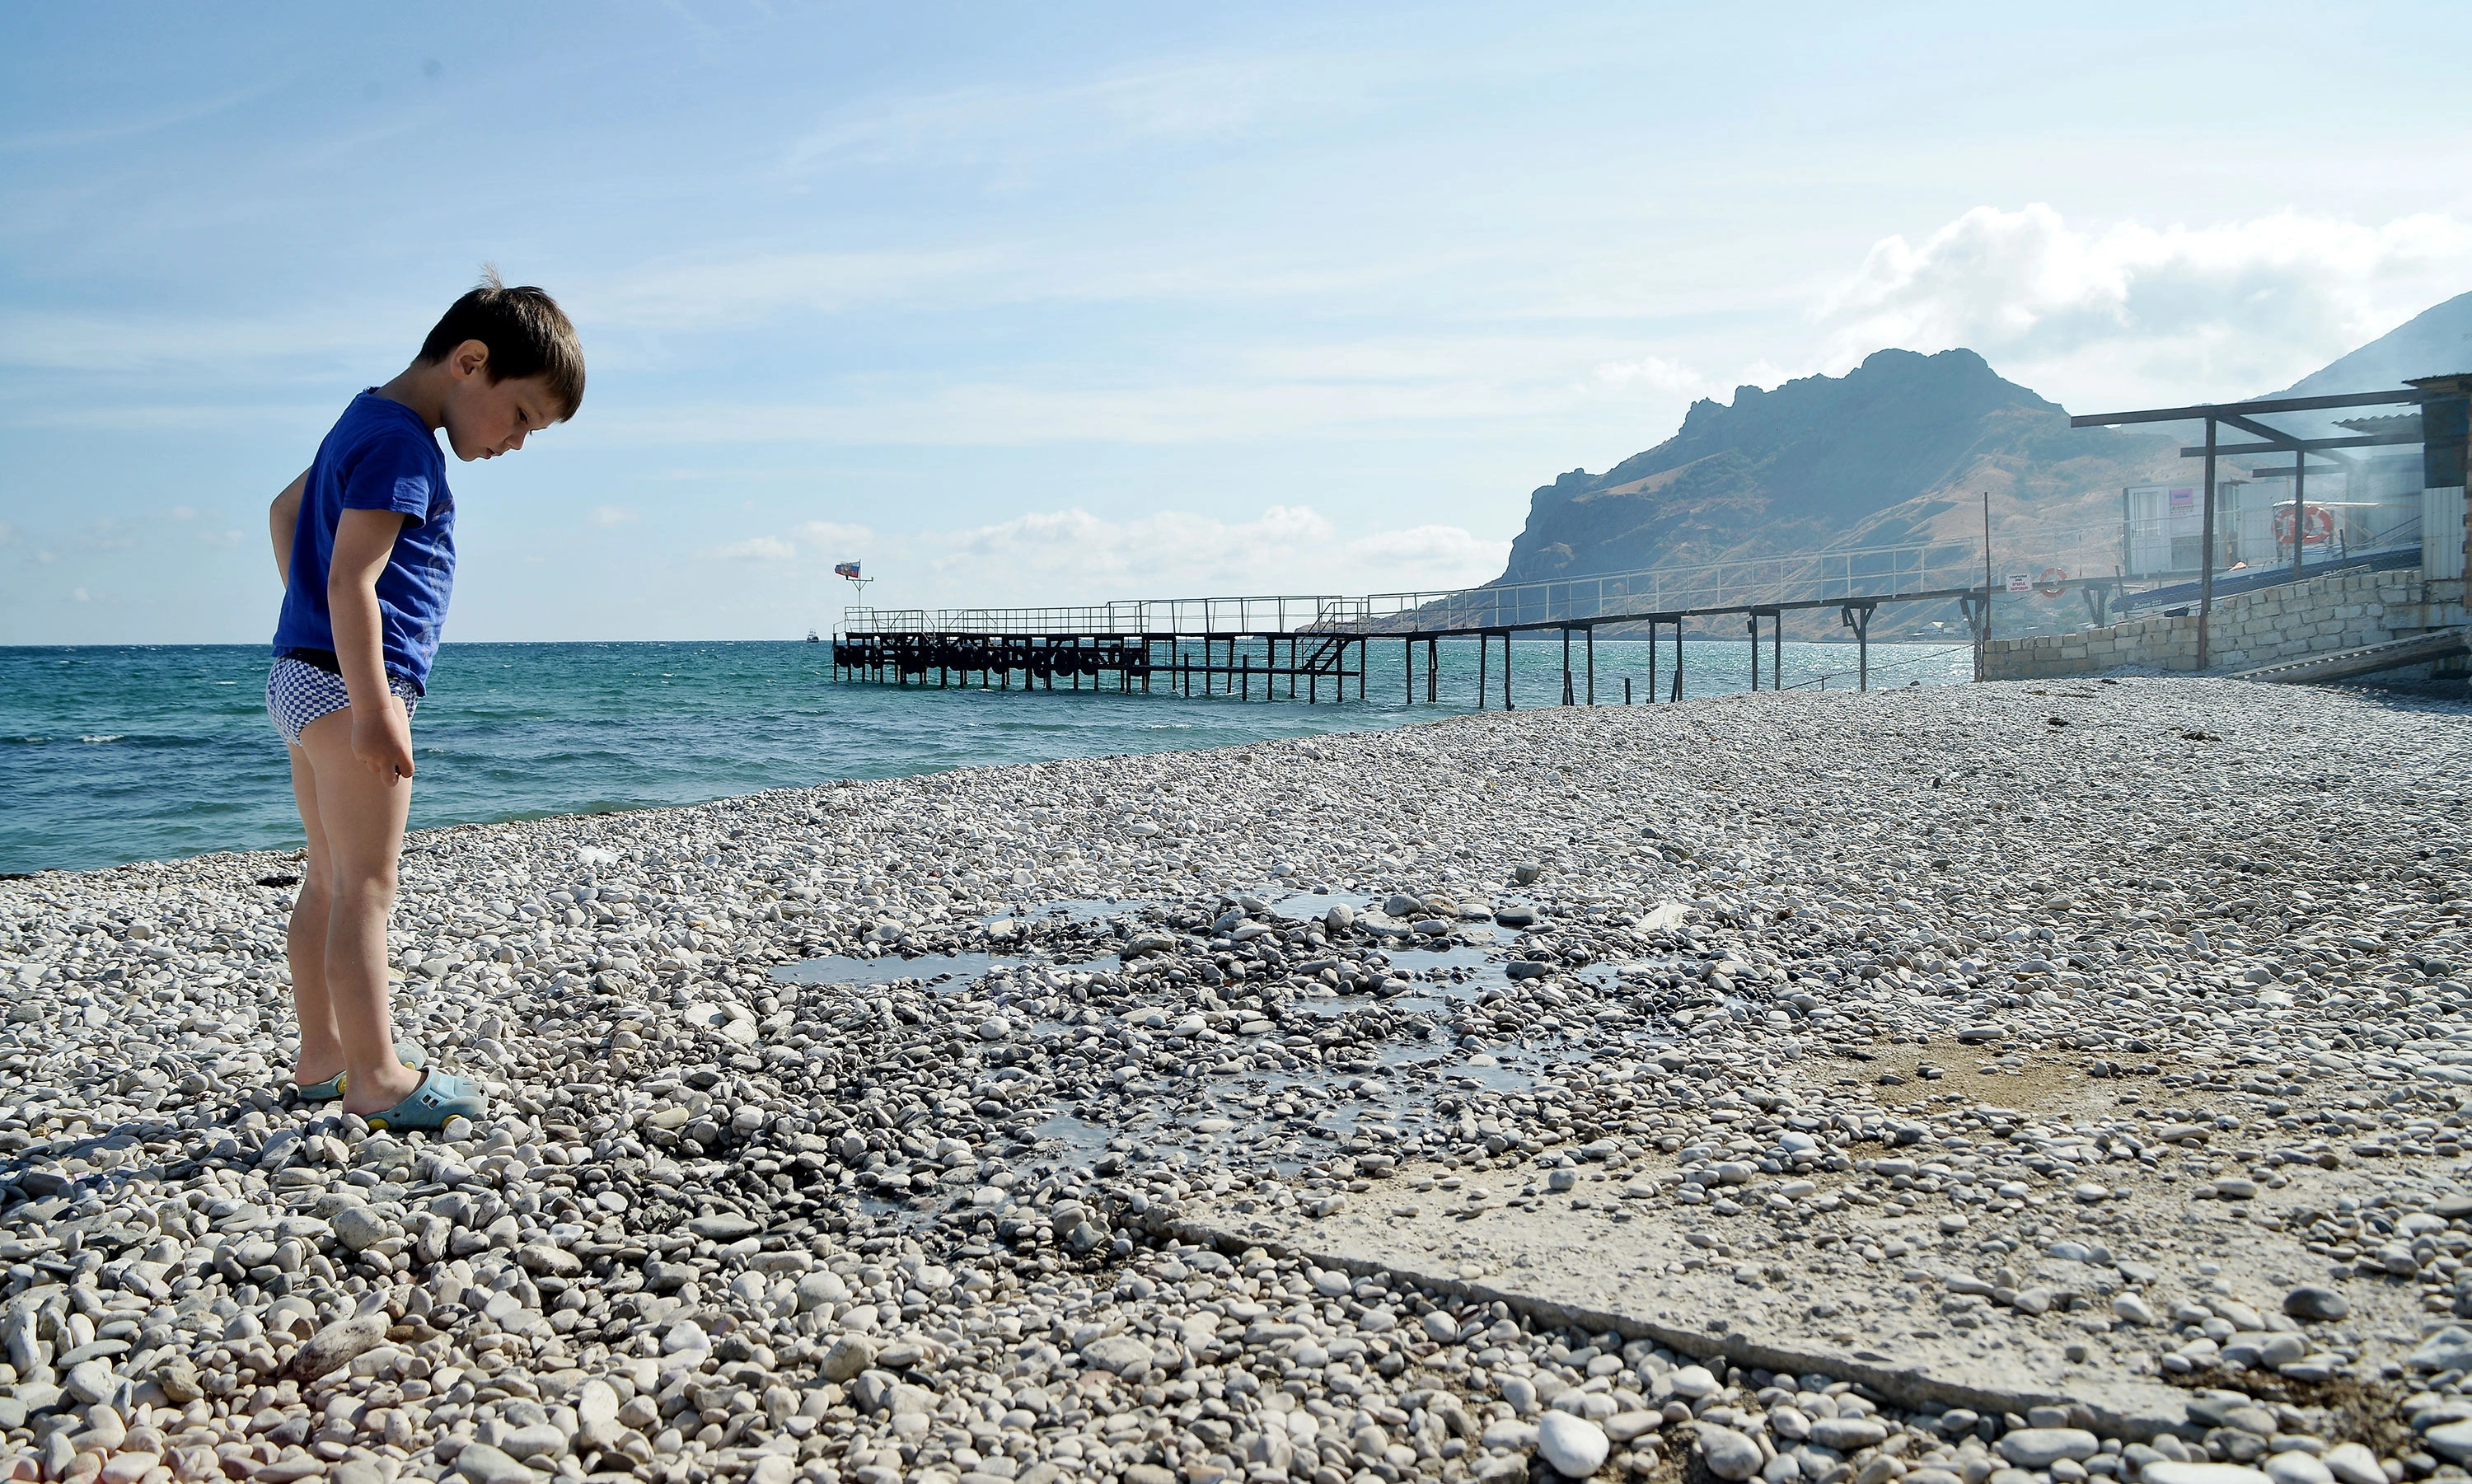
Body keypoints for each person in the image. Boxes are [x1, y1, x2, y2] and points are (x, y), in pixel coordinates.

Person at [265, 270, 584, 1129]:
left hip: (301, 676)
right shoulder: (407, 445)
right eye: (522, 416)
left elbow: (286, 510)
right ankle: (376, 1078)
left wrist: (309, 619)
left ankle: (321, 1059)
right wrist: (373, 705)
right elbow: (355, 579)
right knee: (368, 885)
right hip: (347, 688)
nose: (518, 443)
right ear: (470, 362)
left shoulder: (360, 418)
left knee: (329, 878)